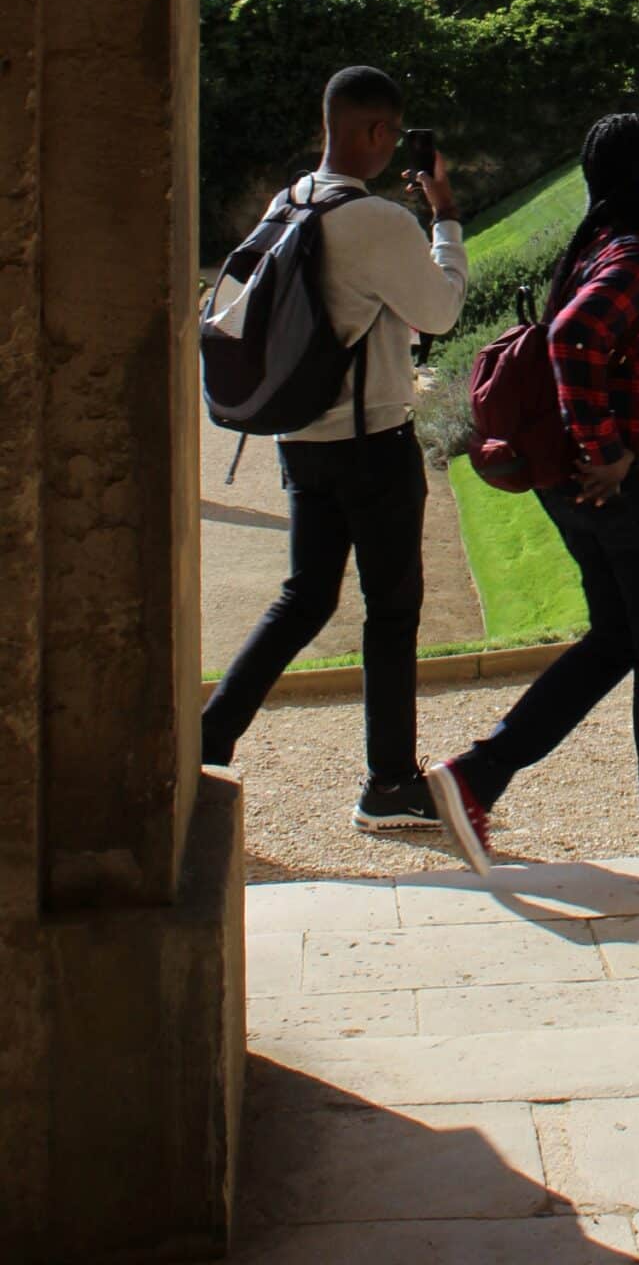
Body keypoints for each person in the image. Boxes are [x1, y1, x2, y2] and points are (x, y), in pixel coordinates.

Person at [429, 114, 639, 887]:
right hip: (632, 487)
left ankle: (478, 775)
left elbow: (604, 352)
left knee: (619, 638)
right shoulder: (637, 254)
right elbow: (573, 342)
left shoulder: (591, 247)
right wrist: (608, 449)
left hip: (572, 492)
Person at [201, 66, 468, 831]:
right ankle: (387, 785)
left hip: (299, 436)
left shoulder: (288, 201)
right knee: (392, 610)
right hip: (372, 440)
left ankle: (210, 735)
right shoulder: (379, 220)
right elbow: (441, 312)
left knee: (305, 597)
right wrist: (445, 220)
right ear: (378, 133)